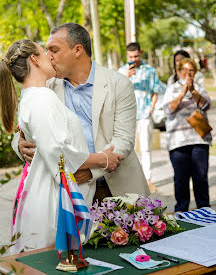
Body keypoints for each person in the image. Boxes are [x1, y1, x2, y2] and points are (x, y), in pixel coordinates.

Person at [0, 40, 124, 253]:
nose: (50, 56)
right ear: (34, 59)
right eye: (43, 51)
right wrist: (103, 159)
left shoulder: (36, 95)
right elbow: (57, 152)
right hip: (52, 200)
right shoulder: (41, 99)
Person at [12, 23, 150, 202]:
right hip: (72, 193)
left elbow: (124, 140)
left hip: (117, 189)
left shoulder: (119, 84)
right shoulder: (46, 88)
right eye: (46, 51)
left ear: (77, 50)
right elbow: (25, 126)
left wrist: (90, 171)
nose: (48, 57)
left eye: (54, 50)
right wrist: (19, 144)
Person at [163, 58, 212, 212]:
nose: (188, 73)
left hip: (199, 138)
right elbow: (167, 109)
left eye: (191, 70)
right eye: (184, 70)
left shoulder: (199, 88)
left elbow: (206, 105)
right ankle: (181, 213)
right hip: (178, 141)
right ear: (178, 72)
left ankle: (204, 212)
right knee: (181, 180)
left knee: (200, 178)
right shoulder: (171, 88)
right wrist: (183, 92)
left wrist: (192, 91)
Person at [118, 42, 160, 193]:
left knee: (146, 148)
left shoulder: (150, 71)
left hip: (144, 116)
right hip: (127, 116)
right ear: (126, 55)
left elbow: (156, 90)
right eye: (130, 56)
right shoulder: (121, 71)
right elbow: (116, 92)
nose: (133, 59)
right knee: (128, 149)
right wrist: (125, 77)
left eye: (136, 56)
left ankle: (148, 180)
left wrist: (151, 108)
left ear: (141, 53)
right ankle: (131, 181)